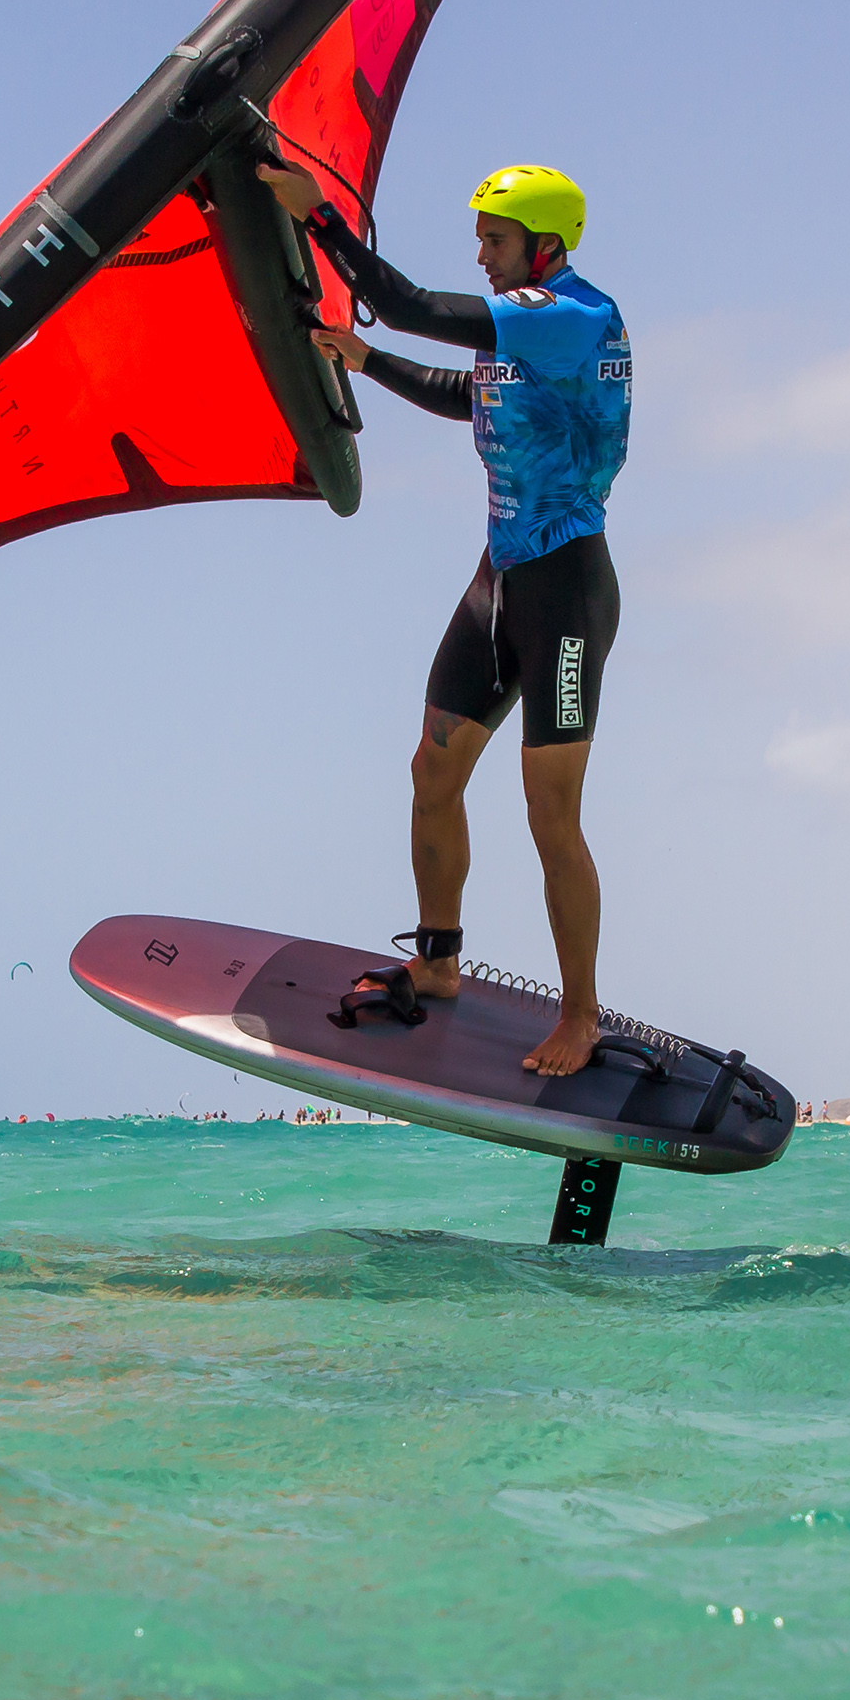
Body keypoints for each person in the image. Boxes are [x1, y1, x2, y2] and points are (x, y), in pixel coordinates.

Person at [259, 156, 633, 1077]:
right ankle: (437, 961)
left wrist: (320, 219)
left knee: (550, 814)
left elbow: (413, 306)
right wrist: (365, 362)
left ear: (544, 245)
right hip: (499, 578)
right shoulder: (519, 332)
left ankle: (580, 1015)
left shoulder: (573, 315)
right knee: (432, 770)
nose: (480, 254)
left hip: (566, 590)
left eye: (493, 239)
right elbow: (470, 395)